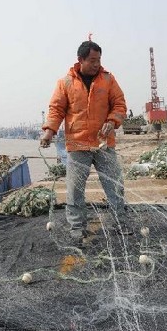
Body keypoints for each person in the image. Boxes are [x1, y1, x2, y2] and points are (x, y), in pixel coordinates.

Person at [40, 40, 129, 240]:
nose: (97, 64)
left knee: (114, 185)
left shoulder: (108, 79)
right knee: (75, 190)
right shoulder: (65, 83)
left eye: (99, 60)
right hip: (78, 145)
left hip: (104, 143)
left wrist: (113, 121)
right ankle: (77, 228)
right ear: (80, 60)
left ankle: (120, 223)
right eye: (92, 60)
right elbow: (56, 109)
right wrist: (49, 132)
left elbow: (120, 104)